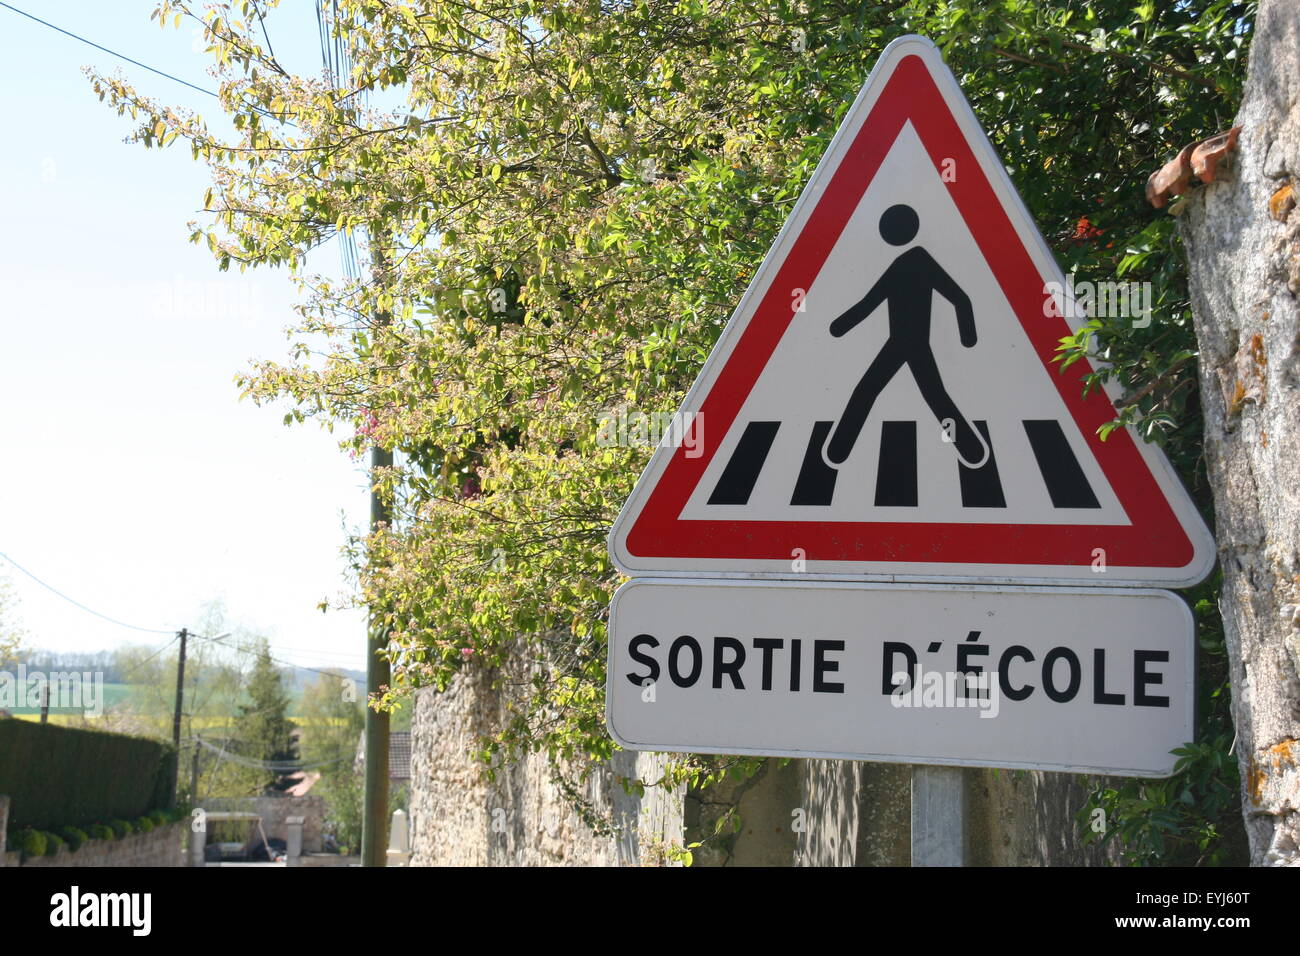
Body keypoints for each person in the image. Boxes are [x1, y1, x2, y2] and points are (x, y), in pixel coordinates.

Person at [824, 203, 988, 469]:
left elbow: (959, 298)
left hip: (911, 344)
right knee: (924, 394)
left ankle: (971, 450)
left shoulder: (915, 262)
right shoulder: (908, 263)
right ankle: (837, 452)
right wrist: (838, 327)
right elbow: (870, 303)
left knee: (881, 391)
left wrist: (968, 337)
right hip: (901, 344)